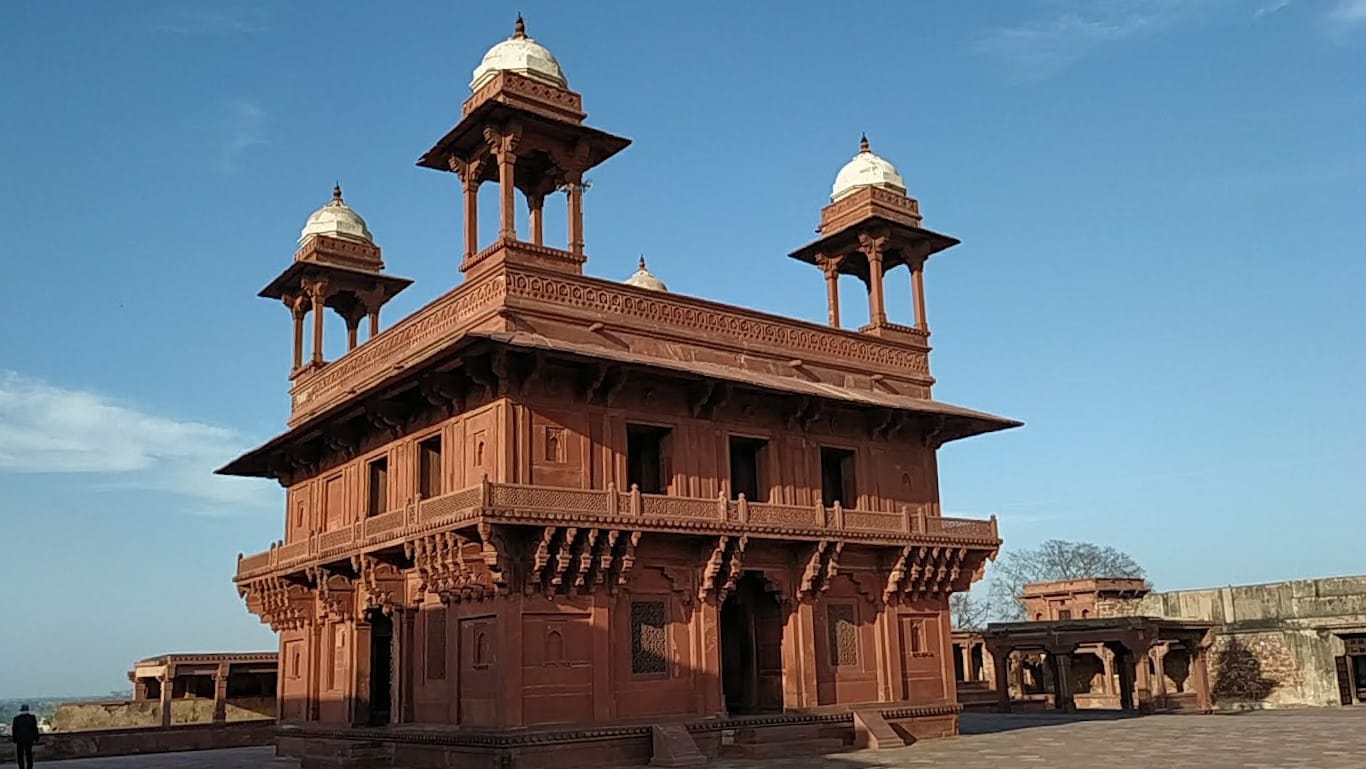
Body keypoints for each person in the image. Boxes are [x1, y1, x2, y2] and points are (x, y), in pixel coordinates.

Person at [10, 705, 38, 769]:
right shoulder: (32, 718)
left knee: (20, 755)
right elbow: (35, 728)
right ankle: (29, 767)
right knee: (29, 754)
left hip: (20, 739)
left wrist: (14, 739)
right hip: (29, 739)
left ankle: (21, 767)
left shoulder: (16, 719)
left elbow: (14, 729)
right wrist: (36, 738)